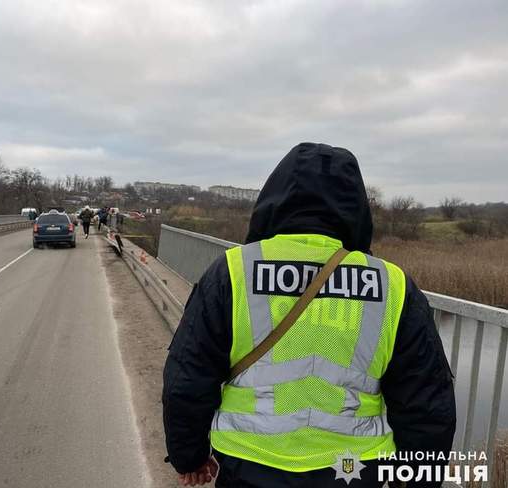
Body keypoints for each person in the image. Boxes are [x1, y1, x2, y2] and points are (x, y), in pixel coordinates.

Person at [162, 142, 456, 488]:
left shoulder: (233, 272)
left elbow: (188, 376)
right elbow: (427, 403)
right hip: (353, 471)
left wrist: (190, 456)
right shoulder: (392, 285)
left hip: (251, 466)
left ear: (274, 199)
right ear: (356, 207)